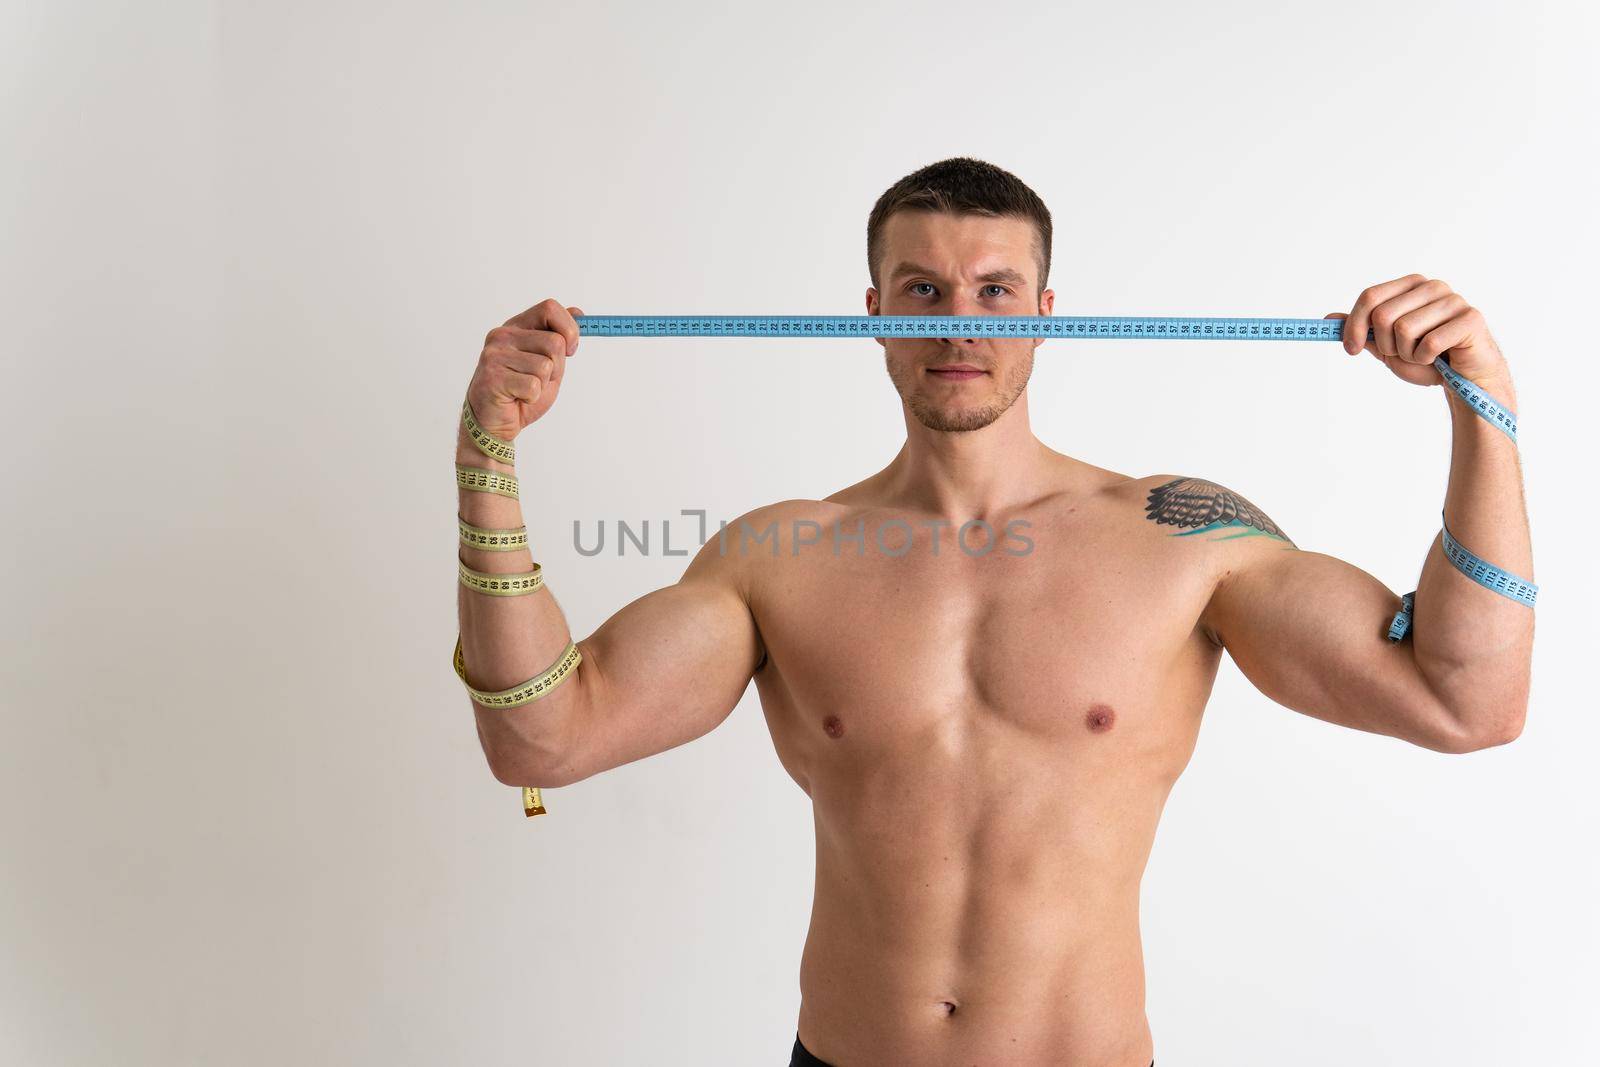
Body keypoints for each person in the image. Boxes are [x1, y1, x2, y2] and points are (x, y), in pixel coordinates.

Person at [452, 157, 1534, 1067]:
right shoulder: (779, 553)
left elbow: (1463, 698)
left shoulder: (1180, 536)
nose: (958, 321)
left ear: (1047, 315)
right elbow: (542, 734)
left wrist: (1479, 400)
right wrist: (487, 451)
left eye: (994, 290)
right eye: (919, 290)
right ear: (868, 313)